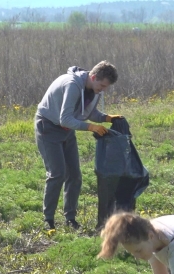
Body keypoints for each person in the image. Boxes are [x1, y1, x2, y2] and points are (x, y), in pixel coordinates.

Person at [34, 61, 123, 230]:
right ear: (93, 76)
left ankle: (70, 219)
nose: (103, 90)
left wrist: (107, 118)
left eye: (106, 87)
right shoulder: (72, 85)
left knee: (74, 175)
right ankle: (49, 220)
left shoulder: (94, 89)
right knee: (57, 173)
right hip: (48, 127)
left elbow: (89, 112)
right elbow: (65, 118)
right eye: (102, 85)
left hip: (67, 130)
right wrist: (91, 127)